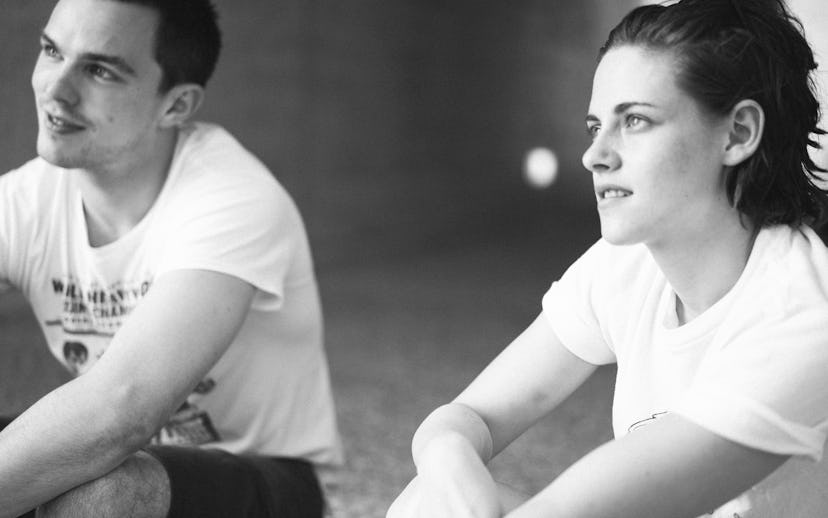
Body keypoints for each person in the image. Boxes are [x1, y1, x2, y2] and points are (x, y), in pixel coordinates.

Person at [387, 0, 828, 516]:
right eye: (595, 126)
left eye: (636, 120)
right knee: (426, 503)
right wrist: (452, 469)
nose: (595, 155)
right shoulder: (627, 265)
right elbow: (469, 417)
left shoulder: (802, 313)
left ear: (738, 134)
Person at [0, 0, 342, 516]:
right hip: (124, 453)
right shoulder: (23, 203)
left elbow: (120, 410)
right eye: (52, 50)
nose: (55, 88)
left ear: (176, 105)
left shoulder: (232, 198)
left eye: (99, 69)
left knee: (103, 494)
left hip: (267, 479)